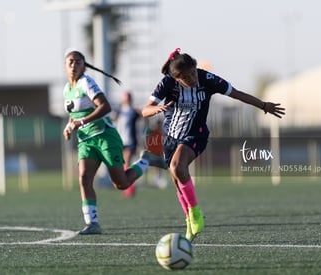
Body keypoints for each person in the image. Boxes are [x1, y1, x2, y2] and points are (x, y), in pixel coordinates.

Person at [141, 48, 285, 241]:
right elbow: (144, 110)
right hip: (171, 137)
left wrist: (263, 105)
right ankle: (189, 220)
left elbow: (236, 94)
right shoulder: (167, 83)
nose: (192, 79)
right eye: (186, 77)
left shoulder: (207, 79)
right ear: (177, 78)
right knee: (177, 179)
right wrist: (156, 108)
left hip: (195, 134)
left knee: (177, 166)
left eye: (193, 73)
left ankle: (196, 213)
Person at [62, 48, 167, 235]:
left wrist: (81, 121)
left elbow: (105, 106)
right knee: (84, 178)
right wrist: (70, 126)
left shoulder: (86, 82)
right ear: (65, 66)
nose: (74, 65)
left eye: (78, 62)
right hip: (86, 141)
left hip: (105, 137)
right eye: (70, 61)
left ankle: (146, 161)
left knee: (121, 183)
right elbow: (73, 115)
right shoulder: (66, 90)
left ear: (84, 66)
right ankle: (92, 223)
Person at [113, 91, 142, 198]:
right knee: (121, 165)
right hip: (120, 141)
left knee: (126, 164)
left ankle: (129, 188)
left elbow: (144, 116)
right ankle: (127, 186)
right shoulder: (119, 110)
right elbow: (112, 119)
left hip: (130, 141)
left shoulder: (133, 111)